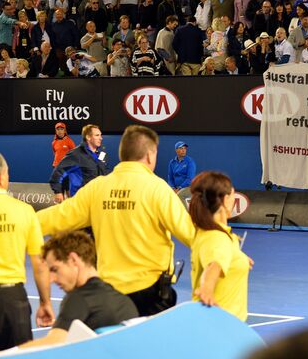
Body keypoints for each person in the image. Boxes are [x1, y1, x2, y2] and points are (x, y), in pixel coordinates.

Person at [38, 125, 195, 316]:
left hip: (108, 296)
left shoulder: (97, 188)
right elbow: (192, 234)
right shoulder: (158, 189)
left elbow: (55, 217)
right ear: (150, 154)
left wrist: (12, 221)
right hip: (151, 296)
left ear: (122, 153)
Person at [0, 151, 53, 352]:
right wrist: (45, 302)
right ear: (1, 177)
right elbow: (39, 263)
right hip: (13, 302)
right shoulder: (24, 211)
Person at [19, 231, 139, 348]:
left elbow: (53, 344)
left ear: (73, 260)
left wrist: (6, 355)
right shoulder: (125, 302)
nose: (51, 279)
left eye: (55, 270)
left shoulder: (78, 299)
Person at [189, 171, 252, 321]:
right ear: (225, 200)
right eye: (233, 196)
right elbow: (214, 266)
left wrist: (239, 258)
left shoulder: (207, 232)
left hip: (215, 324)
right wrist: (207, 288)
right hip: (222, 326)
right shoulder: (218, 237)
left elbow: (218, 255)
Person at [49, 124, 109, 204]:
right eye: (97, 135)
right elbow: (58, 172)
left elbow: (105, 172)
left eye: (100, 135)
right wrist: (58, 192)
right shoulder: (76, 154)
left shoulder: (102, 153)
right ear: (88, 137)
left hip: (98, 199)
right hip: (80, 201)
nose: (101, 138)